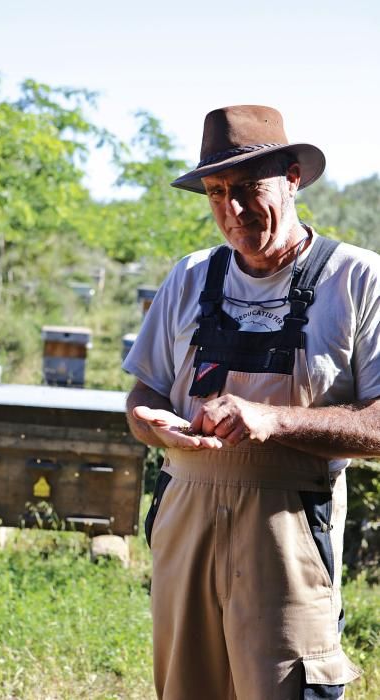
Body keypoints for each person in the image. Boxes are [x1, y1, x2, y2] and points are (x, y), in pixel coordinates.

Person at [123, 104, 380, 700]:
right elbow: (143, 394)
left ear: (292, 178)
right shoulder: (189, 276)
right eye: (215, 192)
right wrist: (149, 423)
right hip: (184, 514)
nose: (231, 211)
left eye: (247, 189)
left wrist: (271, 420)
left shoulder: (359, 280)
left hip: (288, 530)